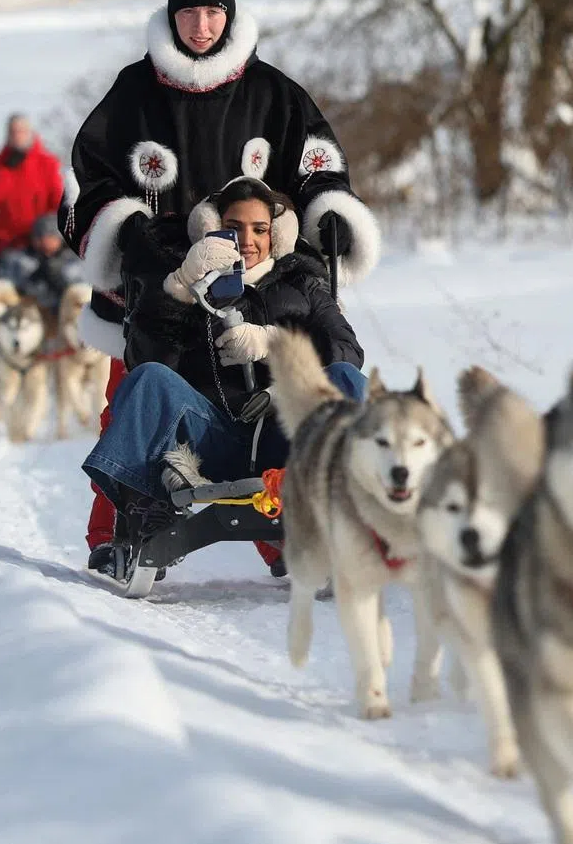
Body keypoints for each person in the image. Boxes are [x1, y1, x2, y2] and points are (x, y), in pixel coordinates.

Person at [61, 0, 381, 563]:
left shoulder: (272, 93)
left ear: (229, 15)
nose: (201, 26)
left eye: (212, 13)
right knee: (132, 397)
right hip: (159, 281)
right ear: (172, 16)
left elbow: (316, 161)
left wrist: (327, 210)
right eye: (189, 13)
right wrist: (131, 235)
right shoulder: (135, 92)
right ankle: (116, 532)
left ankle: (289, 538)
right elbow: (91, 175)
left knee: (269, 397)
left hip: (261, 278)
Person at [82, 177, 366, 580]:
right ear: (213, 228)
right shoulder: (192, 279)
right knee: (147, 379)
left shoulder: (301, 281)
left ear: (276, 234)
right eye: (234, 228)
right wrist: (179, 289)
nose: (247, 240)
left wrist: (278, 343)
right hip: (209, 436)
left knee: (343, 380)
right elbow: (145, 357)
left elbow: (347, 351)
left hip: (283, 436)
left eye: (260, 229)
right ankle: (145, 523)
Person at [0, 114, 63, 275]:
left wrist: (52, 233)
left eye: (22, 131)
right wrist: (6, 169)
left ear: (31, 133)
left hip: (44, 239)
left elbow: (57, 201)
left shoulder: (48, 163)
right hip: (9, 240)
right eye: (14, 132)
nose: (18, 136)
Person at [2, 214, 84, 316]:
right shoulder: (20, 260)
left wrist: (59, 278)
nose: (43, 241)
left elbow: (82, 290)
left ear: (59, 238)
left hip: (64, 316)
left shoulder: (74, 260)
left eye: (49, 236)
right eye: (38, 236)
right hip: (29, 315)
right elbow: (7, 285)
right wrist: (31, 279)